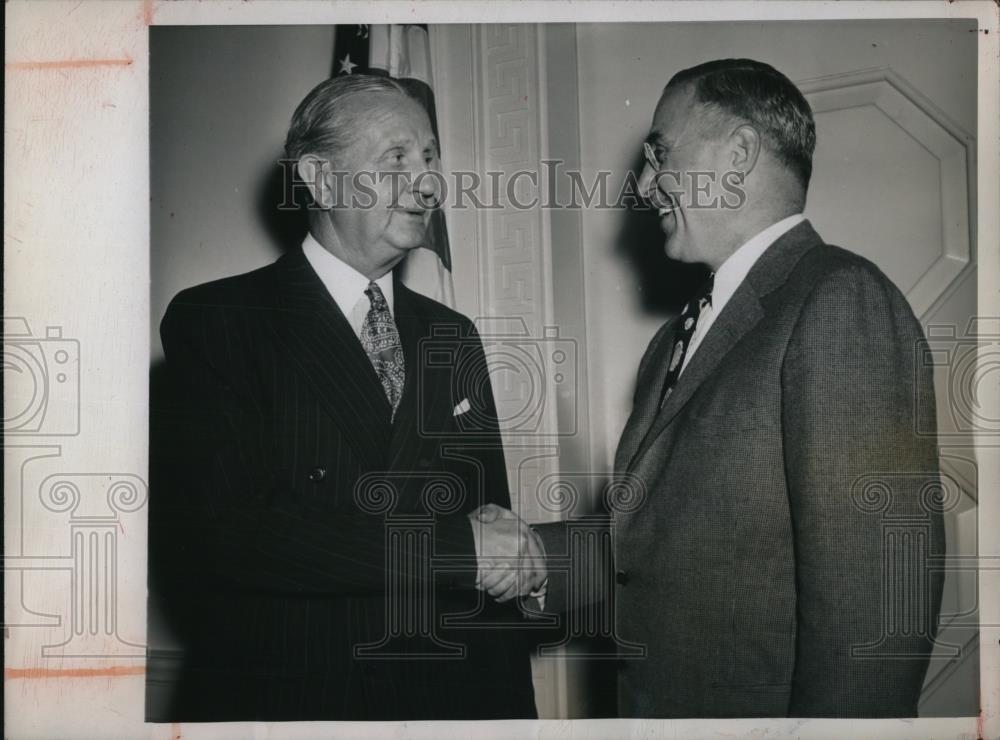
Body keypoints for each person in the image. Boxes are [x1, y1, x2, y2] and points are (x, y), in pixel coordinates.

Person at [477, 58, 944, 718]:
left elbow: (874, 620)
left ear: (740, 153)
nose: (642, 186)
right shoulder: (675, 340)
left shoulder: (839, 299)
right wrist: (531, 555)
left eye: (659, 155)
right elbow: (658, 544)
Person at [147, 74, 546, 722]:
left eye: (430, 158)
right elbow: (238, 533)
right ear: (321, 178)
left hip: (445, 701)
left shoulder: (453, 335)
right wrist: (457, 549)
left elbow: (489, 538)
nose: (428, 183)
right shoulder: (221, 320)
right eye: (396, 159)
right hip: (295, 703)